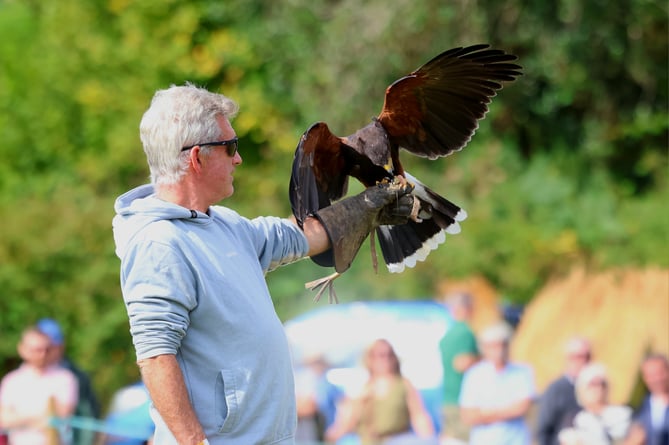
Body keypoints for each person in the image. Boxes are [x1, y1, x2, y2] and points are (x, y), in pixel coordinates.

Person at [112, 84, 414, 445]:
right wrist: (195, 443)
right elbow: (156, 357)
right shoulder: (158, 244)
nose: (238, 159)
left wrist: (368, 207)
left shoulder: (226, 225)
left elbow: (300, 237)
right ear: (196, 158)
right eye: (230, 147)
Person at [325, 339, 436, 445]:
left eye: (389, 355)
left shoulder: (403, 385)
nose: (385, 359)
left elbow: (419, 417)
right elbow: (345, 425)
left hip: (397, 441)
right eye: (380, 355)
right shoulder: (362, 388)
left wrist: (430, 439)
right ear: (370, 359)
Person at [459, 322, 535, 445]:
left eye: (501, 345)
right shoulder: (474, 375)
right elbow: (468, 415)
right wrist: (506, 410)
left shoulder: (522, 371)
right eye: (493, 346)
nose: (498, 350)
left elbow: (522, 407)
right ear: (484, 348)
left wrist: (486, 413)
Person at [0, 326, 79, 445]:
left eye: (46, 349)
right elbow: (4, 419)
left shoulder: (65, 378)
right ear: (22, 349)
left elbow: (61, 414)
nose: (42, 354)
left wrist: (19, 418)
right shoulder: (11, 381)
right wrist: (39, 418)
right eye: (36, 350)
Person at [37, 318, 101, 445]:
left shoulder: (77, 376)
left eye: (50, 347)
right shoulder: (19, 377)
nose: (45, 353)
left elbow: (87, 416)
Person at [535, 336, 593, 445]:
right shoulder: (556, 390)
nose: (583, 361)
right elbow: (544, 430)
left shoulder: (597, 386)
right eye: (577, 357)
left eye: (587, 356)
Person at [438, 292, 479, 444]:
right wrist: (483, 359)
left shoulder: (449, 333)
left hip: (448, 398)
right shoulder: (465, 332)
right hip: (464, 401)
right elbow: (462, 363)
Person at [557, 363, 631, 445]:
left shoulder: (623, 414)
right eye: (593, 384)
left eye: (602, 384)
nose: (598, 388)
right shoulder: (574, 420)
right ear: (582, 389)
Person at [294, 354, 342, 443]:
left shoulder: (327, 385)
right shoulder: (306, 382)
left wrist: (337, 429)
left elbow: (310, 406)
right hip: (314, 431)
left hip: (325, 432)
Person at [626, 354, 669, 445]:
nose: (657, 379)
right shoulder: (638, 411)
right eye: (651, 375)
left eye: (660, 373)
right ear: (644, 378)